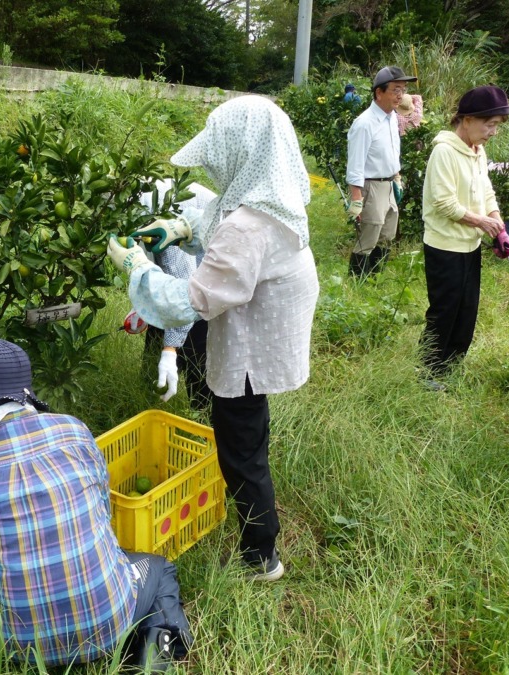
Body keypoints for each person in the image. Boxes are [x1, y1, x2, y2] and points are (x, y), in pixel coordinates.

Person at [0, 339, 192, 669]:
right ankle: (155, 660)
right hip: (108, 622)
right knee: (158, 567)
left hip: (9, 645)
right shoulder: (74, 431)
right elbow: (100, 513)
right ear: (25, 394)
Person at [107, 96, 319, 582]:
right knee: (248, 438)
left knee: (242, 452)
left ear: (240, 152)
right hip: (262, 339)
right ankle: (255, 537)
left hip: (247, 352)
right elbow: (224, 226)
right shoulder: (273, 198)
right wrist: (181, 227)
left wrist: (136, 267)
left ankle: (260, 557)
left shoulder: (250, 225)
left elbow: (192, 301)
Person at [419, 86, 509, 388]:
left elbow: (486, 191)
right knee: (444, 310)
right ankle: (429, 371)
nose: (493, 132)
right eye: (490, 124)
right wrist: (482, 222)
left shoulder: (477, 150)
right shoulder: (444, 151)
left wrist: (498, 225)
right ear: (468, 119)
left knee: (466, 309)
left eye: (497, 125)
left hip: (469, 246)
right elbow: (444, 203)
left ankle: (450, 365)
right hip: (445, 246)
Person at [137, 178, 216, 412]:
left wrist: (170, 350)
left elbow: (185, 289)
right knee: (159, 336)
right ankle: (149, 400)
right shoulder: (130, 206)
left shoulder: (158, 216)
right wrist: (144, 306)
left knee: (196, 347)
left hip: (203, 281)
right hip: (181, 281)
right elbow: (153, 269)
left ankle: (202, 415)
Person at [345, 65, 418, 277]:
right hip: (372, 185)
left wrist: (397, 177)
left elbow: (392, 151)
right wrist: (356, 198)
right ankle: (357, 282)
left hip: (389, 184)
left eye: (403, 89)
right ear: (379, 92)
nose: (401, 95)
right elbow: (355, 164)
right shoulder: (365, 123)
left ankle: (375, 278)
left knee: (387, 235)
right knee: (369, 236)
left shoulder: (392, 117)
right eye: (396, 89)